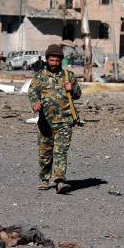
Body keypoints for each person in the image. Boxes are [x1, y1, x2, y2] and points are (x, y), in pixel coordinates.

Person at [28, 44, 81, 194]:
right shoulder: (39, 77)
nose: (54, 63)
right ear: (47, 60)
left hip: (64, 121)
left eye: (57, 60)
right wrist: (35, 103)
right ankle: (45, 179)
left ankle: (59, 181)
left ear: (61, 60)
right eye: (51, 60)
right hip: (45, 122)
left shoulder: (68, 76)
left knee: (61, 152)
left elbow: (78, 95)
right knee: (45, 153)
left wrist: (73, 89)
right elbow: (32, 93)